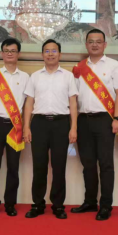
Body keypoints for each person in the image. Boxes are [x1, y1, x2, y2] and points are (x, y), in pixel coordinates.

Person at [72, 29, 118, 221]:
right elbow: (74, 96)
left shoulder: (114, 65)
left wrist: (117, 118)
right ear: (86, 44)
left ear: (105, 44)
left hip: (105, 119)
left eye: (98, 41)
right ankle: (90, 201)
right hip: (83, 120)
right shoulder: (79, 67)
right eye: (91, 41)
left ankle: (105, 205)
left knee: (105, 163)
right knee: (87, 163)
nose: (94, 44)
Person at [23, 40, 79, 220]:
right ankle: (38, 204)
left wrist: (73, 127)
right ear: (42, 55)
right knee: (39, 166)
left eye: (54, 51)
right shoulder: (35, 76)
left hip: (61, 124)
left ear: (60, 54)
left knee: (59, 166)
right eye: (47, 51)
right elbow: (29, 103)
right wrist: (26, 126)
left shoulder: (68, 76)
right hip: (39, 123)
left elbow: (73, 103)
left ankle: (58, 205)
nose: (50, 54)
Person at [0, 38, 29, 217]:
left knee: (13, 167)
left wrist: (25, 126)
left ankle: (10, 203)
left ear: (18, 54)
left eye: (13, 50)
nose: (10, 53)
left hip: (15, 126)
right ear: (2, 54)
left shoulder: (25, 77)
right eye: (7, 50)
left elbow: (28, 104)